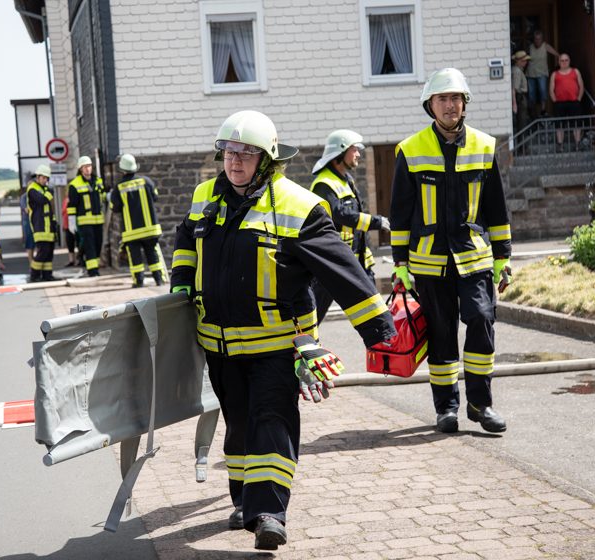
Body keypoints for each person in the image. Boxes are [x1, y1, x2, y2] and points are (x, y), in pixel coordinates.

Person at [171, 110, 395, 551]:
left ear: (268, 158)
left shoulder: (300, 206)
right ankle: (243, 502)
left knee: (271, 422)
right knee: (237, 428)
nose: (235, 162)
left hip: (277, 345)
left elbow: (342, 270)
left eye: (246, 153)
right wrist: (181, 290)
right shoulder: (204, 197)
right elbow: (185, 242)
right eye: (230, 152)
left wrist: (379, 330)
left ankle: (270, 513)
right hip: (219, 347)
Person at [389, 68, 513, 435]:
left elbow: (496, 208)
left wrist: (503, 257)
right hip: (428, 263)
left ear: (464, 104)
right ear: (430, 105)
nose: (450, 105)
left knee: (481, 321)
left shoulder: (484, 146)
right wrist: (399, 263)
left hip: (474, 258)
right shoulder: (409, 150)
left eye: (456, 99)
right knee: (441, 336)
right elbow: (400, 212)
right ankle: (446, 409)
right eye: (443, 99)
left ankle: (480, 403)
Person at [309, 130, 390, 321]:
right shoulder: (324, 184)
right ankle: (302, 345)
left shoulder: (346, 180)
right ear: (341, 152)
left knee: (374, 312)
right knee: (313, 313)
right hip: (332, 261)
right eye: (354, 149)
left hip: (356, 259)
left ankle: (382, 346)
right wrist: (376, 222)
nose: (359, 154)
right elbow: (341, 214)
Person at [110, 153, 166, 287]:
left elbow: (115, 208)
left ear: (122, 169)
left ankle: (139, 282)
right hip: (150, 229)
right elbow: (155, 197)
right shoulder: (147, 181)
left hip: (132, 232)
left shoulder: (118, 187)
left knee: (135, 258)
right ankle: (159, 280)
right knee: (152, 254)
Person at [67, 156, 105, 277]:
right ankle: (92, 271)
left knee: (98, 244)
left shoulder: (98, 181)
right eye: (85, 167)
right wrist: (71, 221)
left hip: (98, 220)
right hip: (84, 221)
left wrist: (108, 195)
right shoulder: (74, 184)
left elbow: (102, 196)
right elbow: (72, 205)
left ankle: (94, 267)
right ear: (80, 169)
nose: (88, 169)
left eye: (89, 166)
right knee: (90, 245)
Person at [549, 53, 585, 151]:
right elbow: (551, 89)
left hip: (574, 102)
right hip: (559, 103)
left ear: (569, 61)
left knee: (577, 124)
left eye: (566, 60)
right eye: (562, 60)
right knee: (559, 125)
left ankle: (578, 143)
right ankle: (560, 145)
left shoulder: (575, 71)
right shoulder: (555, 74)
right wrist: (555, 101)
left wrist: (579, 99)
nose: (564, 62)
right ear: (559, 62)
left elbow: (581, 86)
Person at [27, 165, 56, 282]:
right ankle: (34, 275)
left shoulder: (44, 189)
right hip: (40, 226)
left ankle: (47, 275)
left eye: (47, 178)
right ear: (38, 177)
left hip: (49, 226)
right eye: (43, 178)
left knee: (49, 253)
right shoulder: (32, 189)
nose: (45, 180)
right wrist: (50, 192)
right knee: (42, 252)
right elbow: (42, 201)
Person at [526, 30, 559, 119]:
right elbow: (525, 58)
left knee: (542, 91)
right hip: (531, 73)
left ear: (542, 39)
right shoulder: (530, 47)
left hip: (542, 73)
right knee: (531, 94)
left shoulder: (545, 46)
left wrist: (559, 64)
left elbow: (557, 54)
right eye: (536, 39)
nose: (537, 41)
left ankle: (543, 110)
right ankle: (532, 113)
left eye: (539, 39)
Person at [511, 50, 531, 133]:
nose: (525, 62)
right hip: (520, 97)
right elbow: (514, 89)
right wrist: (514, 103)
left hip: (520, 97)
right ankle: (522, 144)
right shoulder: (517, 71)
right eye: (523, 61)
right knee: (521, 122)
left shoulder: (518, 70)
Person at [18, 183, 35, 267]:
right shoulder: (24, 197)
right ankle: (31, 262)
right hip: (28, 221)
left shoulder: (37, 195)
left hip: (37, 221)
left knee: (38, 242)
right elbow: (26, 210)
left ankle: (37, 261)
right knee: (29, 241)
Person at [61, 195, 78, 267]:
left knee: (77, 242)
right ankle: (71, 260)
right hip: (67, 225)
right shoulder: (65, 200)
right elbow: (63, 212)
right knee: (69, 243)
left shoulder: (75, 199)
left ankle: (79, 259)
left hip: (75, 224)